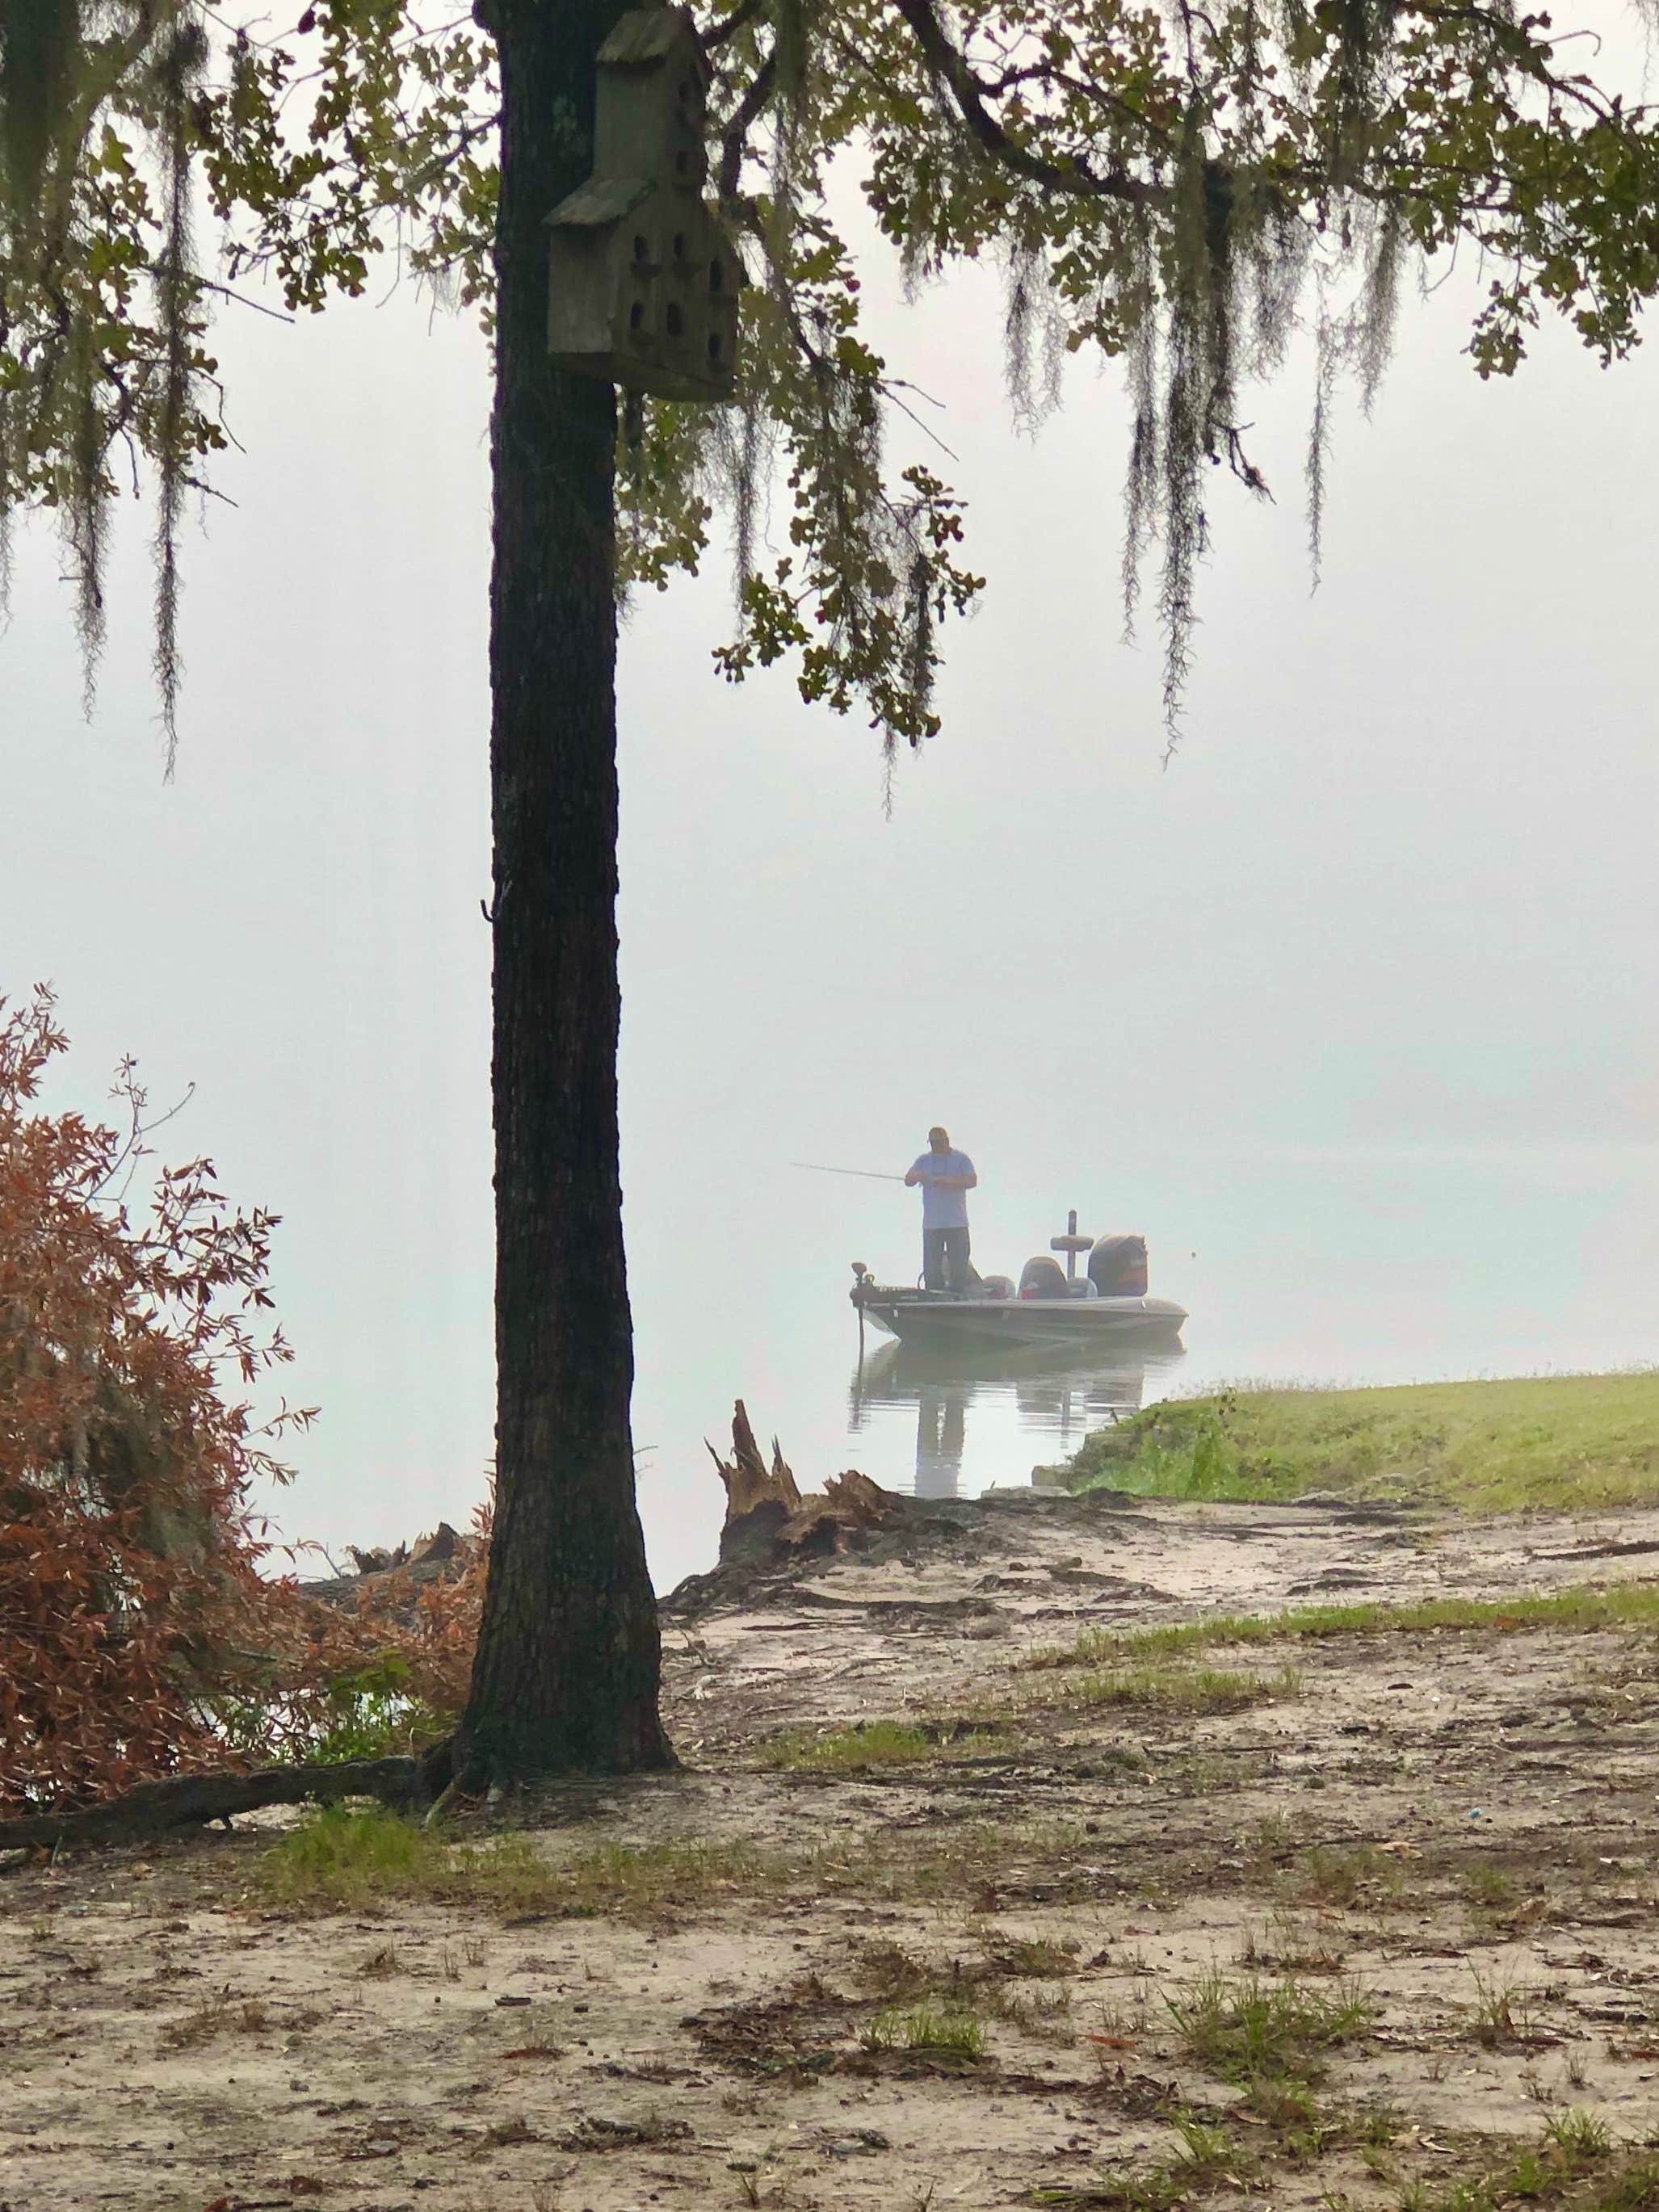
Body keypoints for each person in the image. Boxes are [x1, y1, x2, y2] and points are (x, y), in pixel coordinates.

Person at [904, 1126, 977, 1292]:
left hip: (956, 1223)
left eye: (938, 1143)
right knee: (932, 1270)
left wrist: (949, 1181)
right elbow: (908, 1180)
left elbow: (972, 1181)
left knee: (959, 1267)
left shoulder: (961, 1159)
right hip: (932, 1225)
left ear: (946, 1142)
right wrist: (919, 1176)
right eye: (933, 1143)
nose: (935, 1147)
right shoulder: (923, 1160)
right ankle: (934, 1296)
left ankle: (959, 1296)